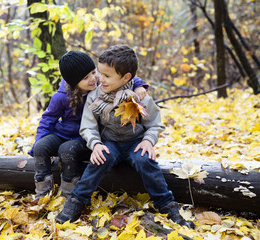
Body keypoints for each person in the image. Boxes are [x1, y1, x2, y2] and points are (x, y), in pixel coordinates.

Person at [55, 45, 194, 229]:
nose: (99, 80)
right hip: (109, 142)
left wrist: (148, 141)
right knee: (99, 160)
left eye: (106, 76)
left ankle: (168, 206)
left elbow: (155, 124)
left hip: (135, 143)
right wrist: (95, 144)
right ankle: (76, 201)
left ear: (127, 77)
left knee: (146, 161)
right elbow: (88, 126)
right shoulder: (95, 96)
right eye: (100, 73)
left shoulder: (140, 97)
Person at [28, 50, 150, 200]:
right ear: (73, 82)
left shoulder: (102, 85)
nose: (93, 79)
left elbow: (122, 76)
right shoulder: (61, 97)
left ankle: (68, 193)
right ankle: (42, 193)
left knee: (66, 150)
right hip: (63, 134)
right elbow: (47, 120)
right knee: (41, 147)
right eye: (86, 77)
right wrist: (38, 143)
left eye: (93, 72)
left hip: (85, 138)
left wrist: (139, 86)